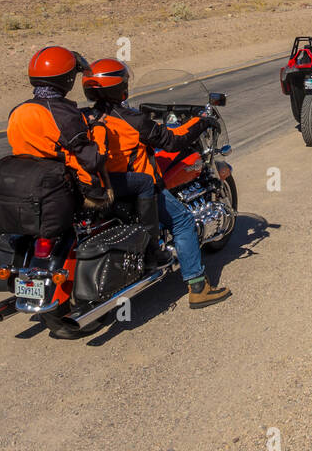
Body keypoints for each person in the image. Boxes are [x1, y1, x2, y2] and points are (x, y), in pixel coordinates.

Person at [82, 58, 231, 309]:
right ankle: (198, 287)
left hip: (100, 187)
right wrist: (202, 120)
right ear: (120, 87)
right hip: (136, 188)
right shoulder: (131, 119)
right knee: (183, 220)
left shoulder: (84, 117)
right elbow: (172, 140)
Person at [7, 45, 111, 207]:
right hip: (70, 190)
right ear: (67, 79)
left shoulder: (18, 111)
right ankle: (149, 232)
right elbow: (94, 160)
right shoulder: (65, 116)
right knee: (144, 183)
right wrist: (98, 126)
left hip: (28, 185)